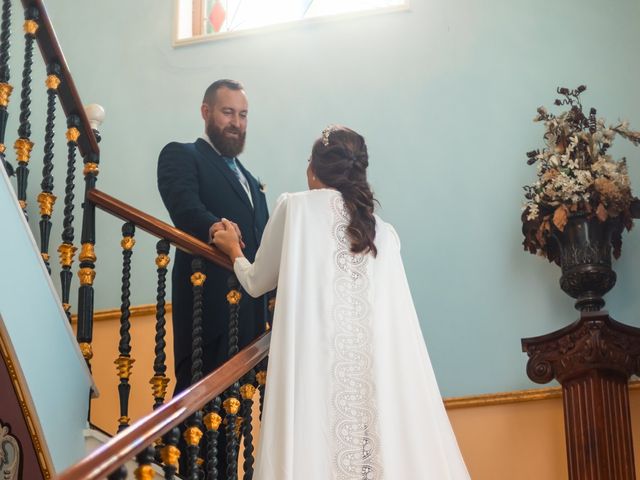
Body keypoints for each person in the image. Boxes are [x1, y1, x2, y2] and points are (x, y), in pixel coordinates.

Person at [213, 125, 471, 479]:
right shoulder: (383, 231)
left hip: (313, 365)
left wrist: (234, 251)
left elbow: (257, 283)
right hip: (372, 373)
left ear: (313, 169)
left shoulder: (295, 208)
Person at [157, 78, 270, 395]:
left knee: (232, 434)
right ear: (206, 111)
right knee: (198, 417)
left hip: (249, 326)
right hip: (207, 312)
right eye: (228, 112)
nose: (236, 123)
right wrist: (215, 228)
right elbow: (184, 207)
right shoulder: (182, 155)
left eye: (243, 115)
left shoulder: (252, 184)